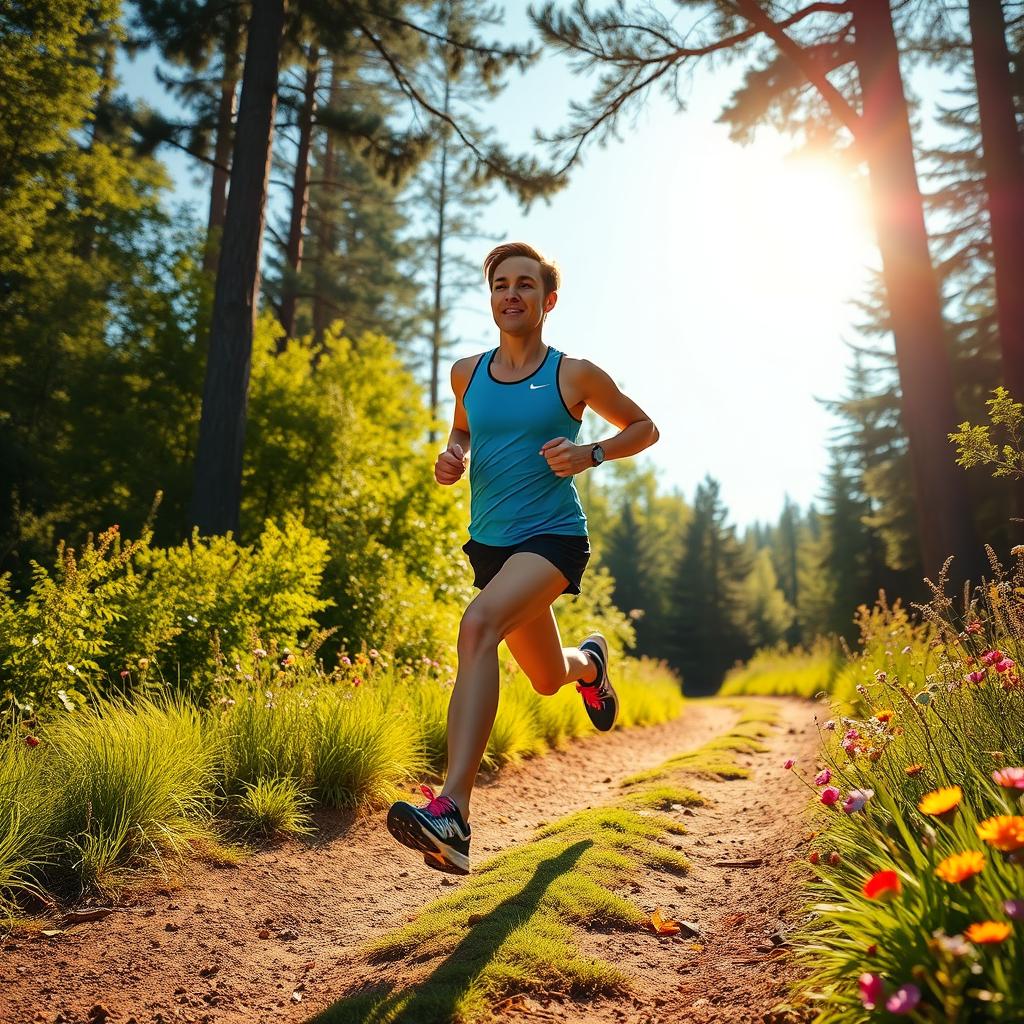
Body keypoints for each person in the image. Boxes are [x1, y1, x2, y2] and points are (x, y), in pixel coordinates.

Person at [386, 241, 659, 874]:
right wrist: (453, 456)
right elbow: (463, 428)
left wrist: (593, 454)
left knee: (477, 626)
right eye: (501, 284)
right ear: (491, 299)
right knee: (544, 676)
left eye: (526, 286)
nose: (512, 294)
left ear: (548, 300)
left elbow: (644, 427)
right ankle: (589, 667)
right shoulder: (467, 373)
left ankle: (452, 813)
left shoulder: (574, 375)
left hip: (553, 539)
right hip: (491, 546)